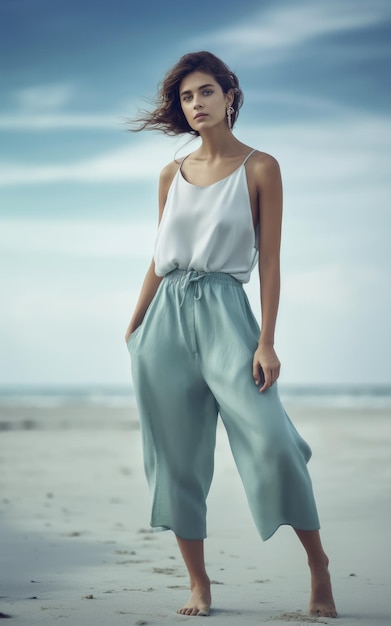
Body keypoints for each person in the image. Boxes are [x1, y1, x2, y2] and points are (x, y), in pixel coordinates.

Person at [126, 51, 337, 619]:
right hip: (164, 321)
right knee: (175, 459)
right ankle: (199, 583)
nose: (196, 104)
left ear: (229, 96)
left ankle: (318, 565)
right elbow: (159, 255)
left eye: (205, 93)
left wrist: (266, 341)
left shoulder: (261, 167)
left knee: (272, 443)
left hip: (227, 313)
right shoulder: (171, 174)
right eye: (187, 97)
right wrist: (136, 322)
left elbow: (269, 262)